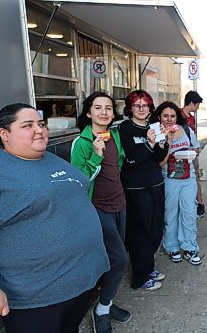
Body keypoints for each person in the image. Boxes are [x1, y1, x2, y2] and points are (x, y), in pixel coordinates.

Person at [0, 103, 109, 333]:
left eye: (41, 124)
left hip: (81, 284)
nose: (39, 130)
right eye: (27, 125)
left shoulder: (50, 159)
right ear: (4, 134)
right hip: (37, 298)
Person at [71, 92, 130, 332]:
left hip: (120, 204)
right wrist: (96, 156)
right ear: (88, 113)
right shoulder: (82, 143)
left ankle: (108, 299)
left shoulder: (114, 135)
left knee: (114, 257)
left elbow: (118, 165)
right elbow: (78, 181)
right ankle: (102, 309)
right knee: (119, 260)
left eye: (108, 108)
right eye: (98, 108)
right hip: (98, 209)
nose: (104, 112)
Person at [118, 90, 168, 291]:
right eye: (137, 105)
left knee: (155, 231)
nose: (141, 109)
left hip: (155, 184)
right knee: (140, 233)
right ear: (130, 107)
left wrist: (163, 141)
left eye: (145, 105)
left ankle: (148, 267)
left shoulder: (153, 127)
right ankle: (140, 277)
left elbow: (158, 158)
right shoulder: (125, 129)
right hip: (135, 188)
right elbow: (132, 158)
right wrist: (149, 142)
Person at [156, 101, 202, 265]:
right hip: (168, 178)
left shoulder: (187, 131)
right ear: (160, 117)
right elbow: (160, 162)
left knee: (189, 212)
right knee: (171, 214)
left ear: (177, 117)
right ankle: (172, 246)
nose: (169, 119)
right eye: (165, 116)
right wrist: (168, 143)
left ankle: (190, 246)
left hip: (188, 178)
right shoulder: (156, 134)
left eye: (172, 116)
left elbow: (196, 149)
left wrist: (191, 154)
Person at [182, 90, 206, 218]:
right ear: (191, 103)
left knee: (196, 177)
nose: (198, 108)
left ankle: (200, 204)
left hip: (193, 152)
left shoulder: (191, 118)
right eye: (197, 105)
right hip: (181, 154)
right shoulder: (178, 115)